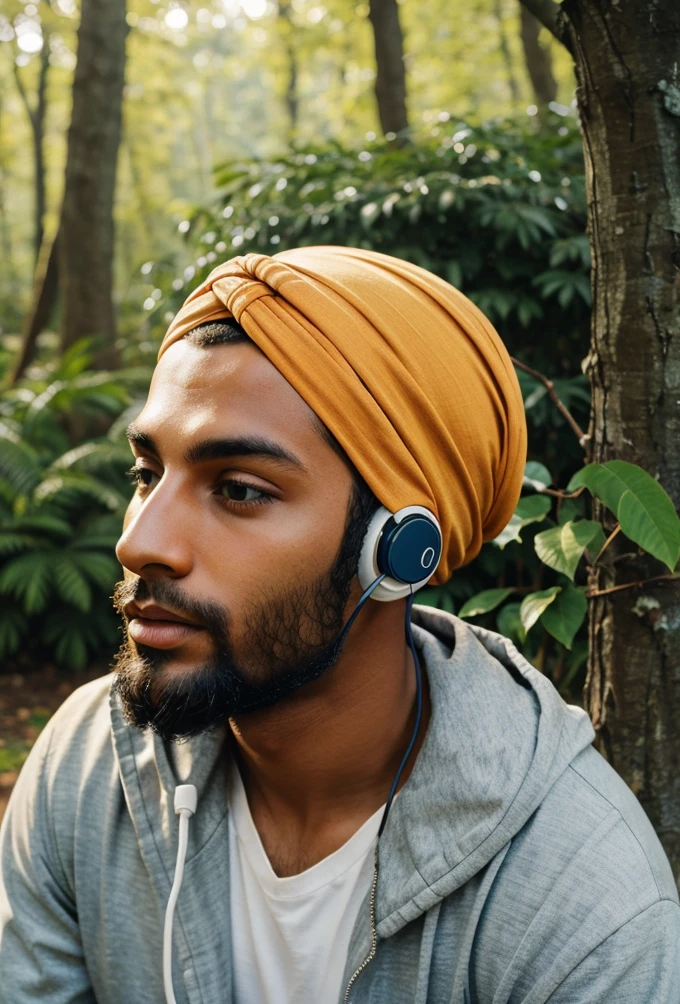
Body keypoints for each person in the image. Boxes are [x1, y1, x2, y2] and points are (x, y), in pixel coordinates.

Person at [0, 246, 678, 1004]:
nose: (139, 543)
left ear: (399, 550)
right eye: (147, 475)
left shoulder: (578, 904)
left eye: (240, 490)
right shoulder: (89, 767)